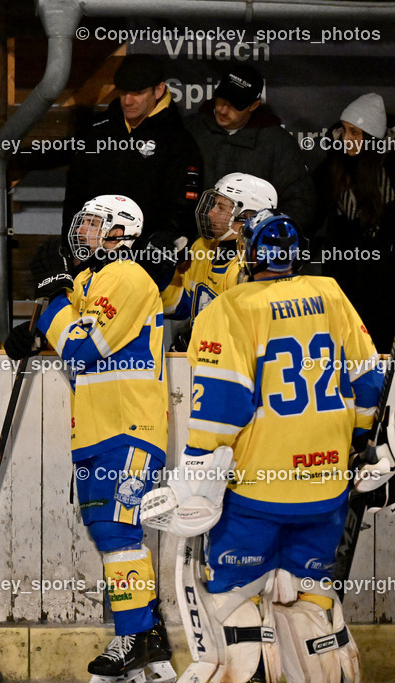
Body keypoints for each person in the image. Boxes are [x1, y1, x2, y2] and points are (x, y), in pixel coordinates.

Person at [141, 211, 385, 682]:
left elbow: (221, 407)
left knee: (236, 602)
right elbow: (369, 377)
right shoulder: (332, 294)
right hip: (327, 490)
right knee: (312, 597)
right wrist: (360, 439)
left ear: (250, 255)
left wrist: (195, 471)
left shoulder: (230, 309)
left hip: (257, 494)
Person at [4, 195, 173, 683]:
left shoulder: (127, 276)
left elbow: (80, 349)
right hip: (101, 430)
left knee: (120, 533)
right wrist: (36, 332)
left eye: (95, 225)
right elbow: (70, 333)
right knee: (110, 533)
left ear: (120, 233)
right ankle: (150, 644)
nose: (84, 233)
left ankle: (134, 636)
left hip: (130, 428)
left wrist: (54, 298)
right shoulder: (93, 281)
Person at [58, 54, 204, 250]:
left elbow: (181, 211)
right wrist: (72, 247)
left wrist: (156, 253)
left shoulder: (178, 142)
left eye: (138, 93)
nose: (127, 101)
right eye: (123, 92)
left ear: (158, 90)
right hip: (91, 254)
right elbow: (76, 194)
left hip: (145, 261)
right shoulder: (99, 131)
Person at [185, 64, 315, 230]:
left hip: (250, 247)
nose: (223, 110)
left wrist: (254, 230)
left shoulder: (277, 143)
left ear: (254, 106)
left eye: (235, 105)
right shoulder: (190, 130)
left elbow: (300, 204)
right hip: (192, 242)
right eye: (221, 101)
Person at [315, 92, 395, 351]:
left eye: (355, 133)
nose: (346, 139)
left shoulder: (390, 172)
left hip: (383, 288)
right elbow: (311, 213)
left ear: (372, 139)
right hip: (341, 281)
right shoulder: (332, 166)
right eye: (345, 130)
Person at [162, 173, 277, 349]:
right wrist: (165, 275)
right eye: (214, 204)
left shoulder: (256, 266)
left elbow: (249, 337)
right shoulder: (203, 248)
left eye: (221, 207)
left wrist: (202, 345)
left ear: (247, 216)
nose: (210, 213)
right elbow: (179, 307)